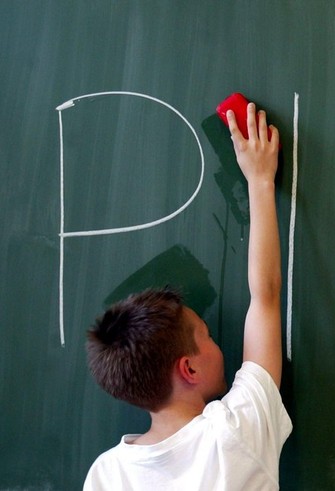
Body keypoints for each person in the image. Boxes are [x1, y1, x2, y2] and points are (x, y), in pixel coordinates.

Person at [83, 102, 292, 490]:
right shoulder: (233, 435)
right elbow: (265, 295)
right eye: (207, 336)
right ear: (189, 369)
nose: (216, 341)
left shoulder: (105, 475)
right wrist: (259, 181)